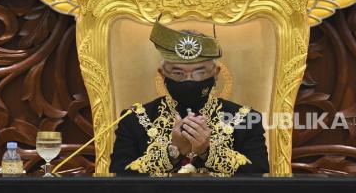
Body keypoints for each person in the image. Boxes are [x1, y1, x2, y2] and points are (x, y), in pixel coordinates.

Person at [109, 21, 269, 175]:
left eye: (200, 73)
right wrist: (172, 151)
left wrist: (207, 151)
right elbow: (119, 176)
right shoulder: (134, 119)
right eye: (178, 73)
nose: (189, 81)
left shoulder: (245, 119)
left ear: (216, 73)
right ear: (162, 74)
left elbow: (260, 175)